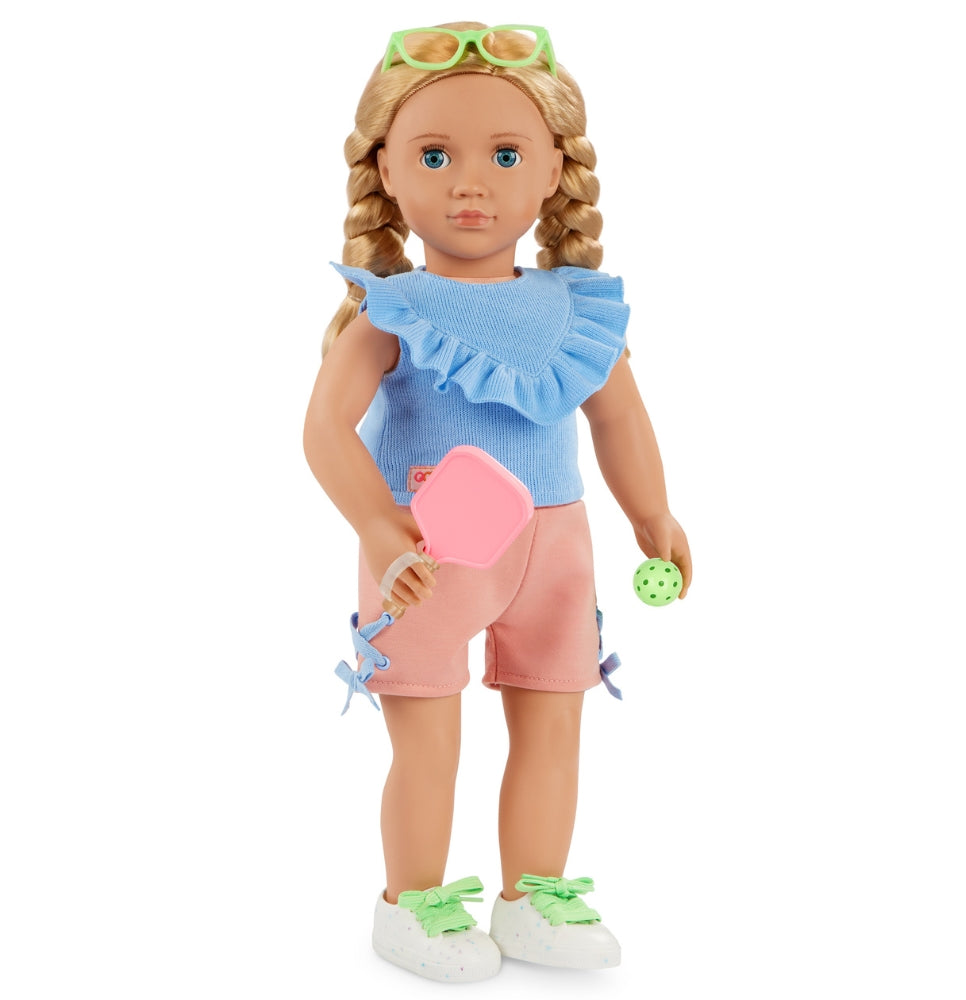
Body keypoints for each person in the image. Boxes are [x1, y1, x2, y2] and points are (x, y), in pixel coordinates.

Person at [303, 23, 692, 983]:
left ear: (555, 169)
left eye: (505, 155)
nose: (469, 184)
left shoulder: (575, 308)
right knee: (429, 739)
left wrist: (653, 515)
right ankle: (413, 903)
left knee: (554, 727)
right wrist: (380, 528)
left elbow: (619, 418)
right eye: (435, 156)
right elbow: (324, 431)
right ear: (386, 170)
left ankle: (533, 895)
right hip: (428, 549)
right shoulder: (393, 308)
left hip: (557, 550)